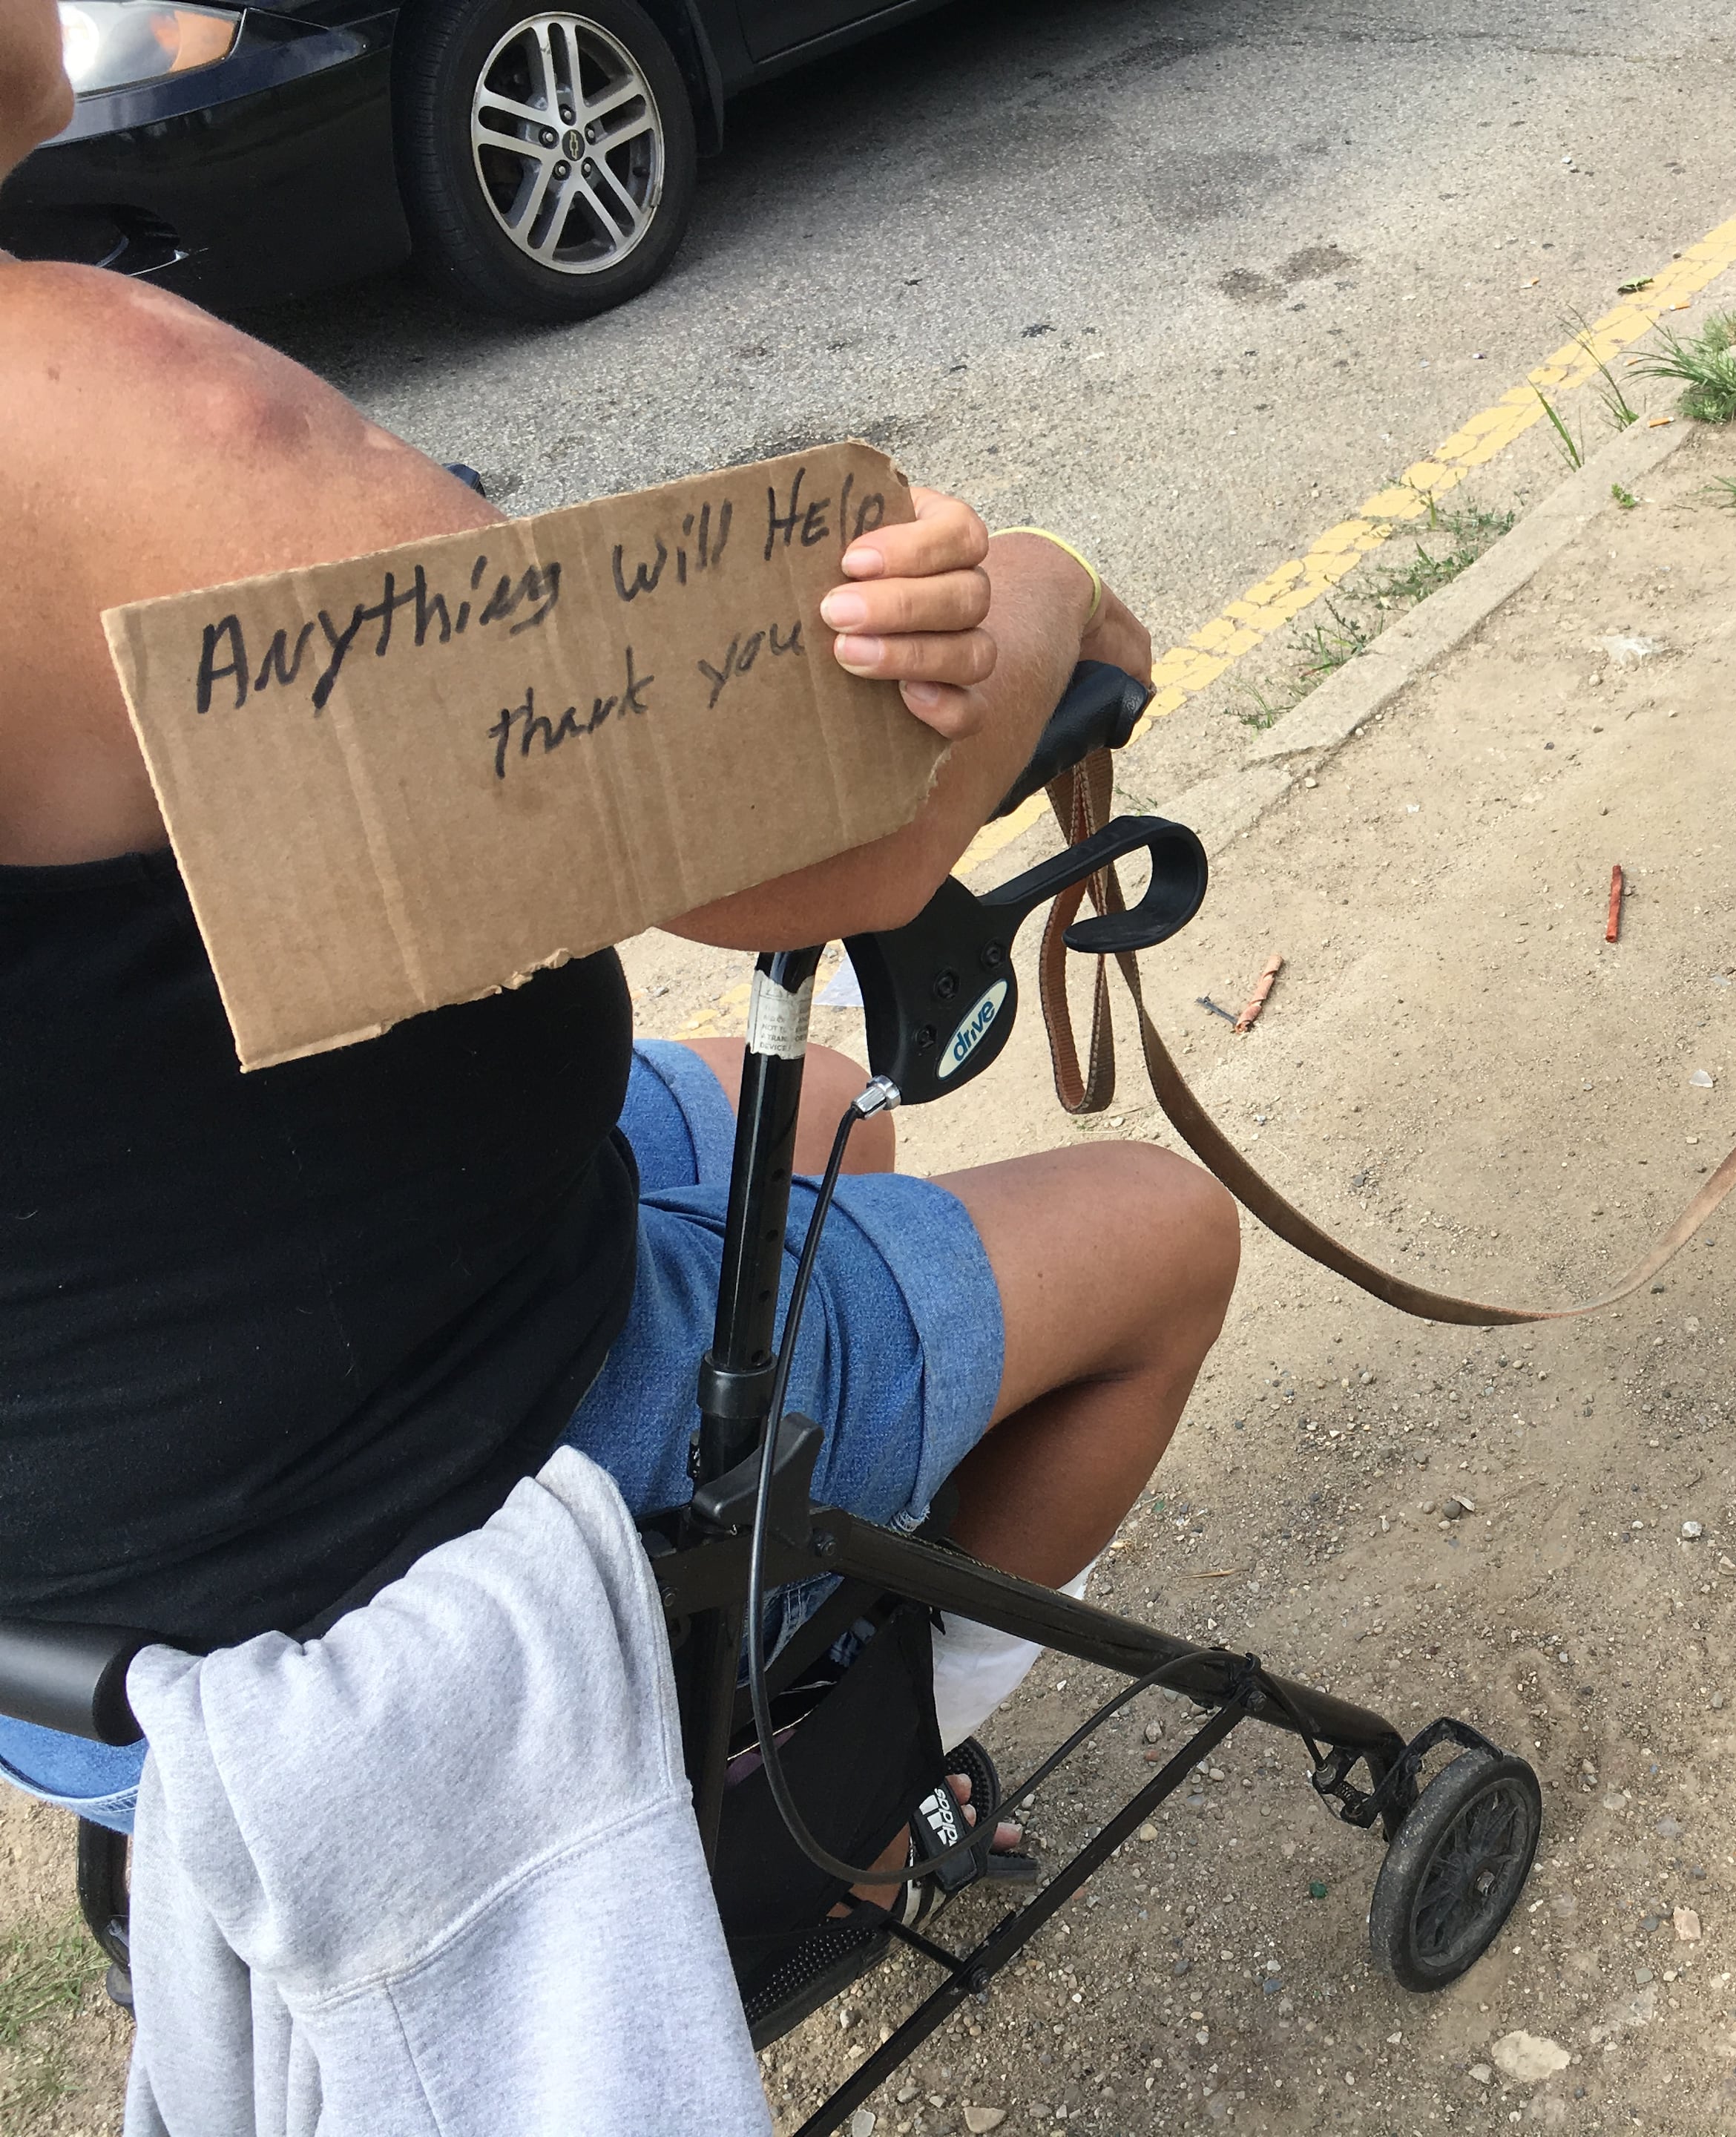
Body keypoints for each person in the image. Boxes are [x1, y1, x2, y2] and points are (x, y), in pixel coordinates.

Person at [0, 0, 1237, 1843]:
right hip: (378, 1531)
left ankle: (787, 1635)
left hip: (65, 1621)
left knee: (830, 1110)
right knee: (1163, 1238)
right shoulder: (113, 420)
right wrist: (1050, 591)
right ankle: (855, 1808)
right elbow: (832, 861)